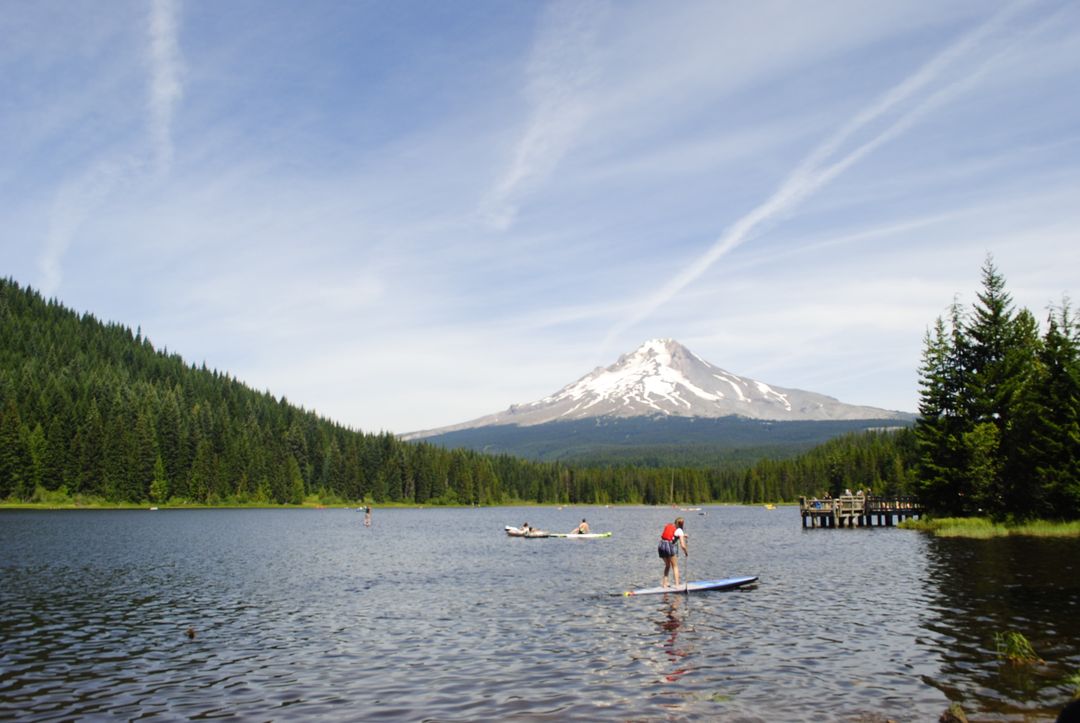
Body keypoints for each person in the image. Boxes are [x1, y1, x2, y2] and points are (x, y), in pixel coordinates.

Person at [658, 517, 688, 588]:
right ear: (682, 524)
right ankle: (677, 585)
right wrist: (686, 552)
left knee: (667, 566)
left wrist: (683, 535)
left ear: (675, 522)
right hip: (669, 546)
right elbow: (683, 545)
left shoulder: (669, 525)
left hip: (661, 545)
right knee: (675, 566)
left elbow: (672, 535)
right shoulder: (680, 530)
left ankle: (664, 584)